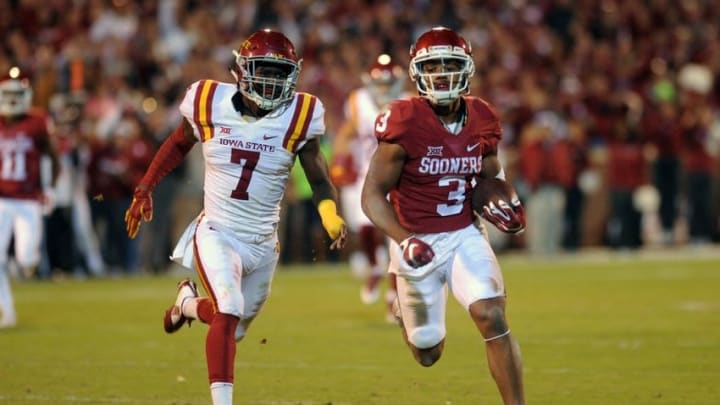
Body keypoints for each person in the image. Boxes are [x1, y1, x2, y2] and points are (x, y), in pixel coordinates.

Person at [123, 29, 347, 405]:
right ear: (242, 70)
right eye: (264, 70)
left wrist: (329, 214)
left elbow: (319, 178)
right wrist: (145, 187)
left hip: (263, 244)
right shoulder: (208, 100)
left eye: (280, 73)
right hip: (218, 231)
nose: (272, 81)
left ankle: (187, 304)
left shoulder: (302, 114)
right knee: (228, 309)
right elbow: (179, 142)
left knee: (233, 326)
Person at [361, 27, 525, 404]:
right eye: (433, 66)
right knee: (427, 352)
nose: (442, 74)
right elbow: (371, 195)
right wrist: (404, 240)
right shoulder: (403, 119)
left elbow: (492, 174)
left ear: (466, 69)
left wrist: (506, 200)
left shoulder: (482, 115)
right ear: (418, 72)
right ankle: (407, 310)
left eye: (450, 64)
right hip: (416, 240)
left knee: (492, 316)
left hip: (465, 232)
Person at [330, 54, 405, 321]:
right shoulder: (358, 101)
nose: (384, 89)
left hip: (400, 179)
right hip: (367, 176)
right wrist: (338, 160)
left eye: (389, 83)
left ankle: (393, 298)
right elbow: (346, 133)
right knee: (366, 228)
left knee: (398, 241)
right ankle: (375, 268)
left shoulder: (409, 104)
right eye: (380, 84)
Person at [0, 67, 59, 327]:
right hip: (2, 198)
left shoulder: (36, 121)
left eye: (16, 95)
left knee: (27, 259)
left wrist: (50, 188)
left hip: (28, 199)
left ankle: (21, 264)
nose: (12, 101)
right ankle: (7, 312)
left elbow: (52, 157)